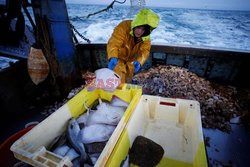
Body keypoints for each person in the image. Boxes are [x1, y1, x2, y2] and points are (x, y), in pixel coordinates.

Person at [107, 8, 159, 83]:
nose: (140, 32)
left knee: (128, 82)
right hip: (118, 59)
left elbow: (145, 50)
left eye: (143, 29)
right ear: (135, 24)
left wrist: (139, 62)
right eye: (138, 27)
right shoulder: (123, 26)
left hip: (131, 62)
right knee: (117, 82)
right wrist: (113, 56)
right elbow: (114, 42)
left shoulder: (146, 37)